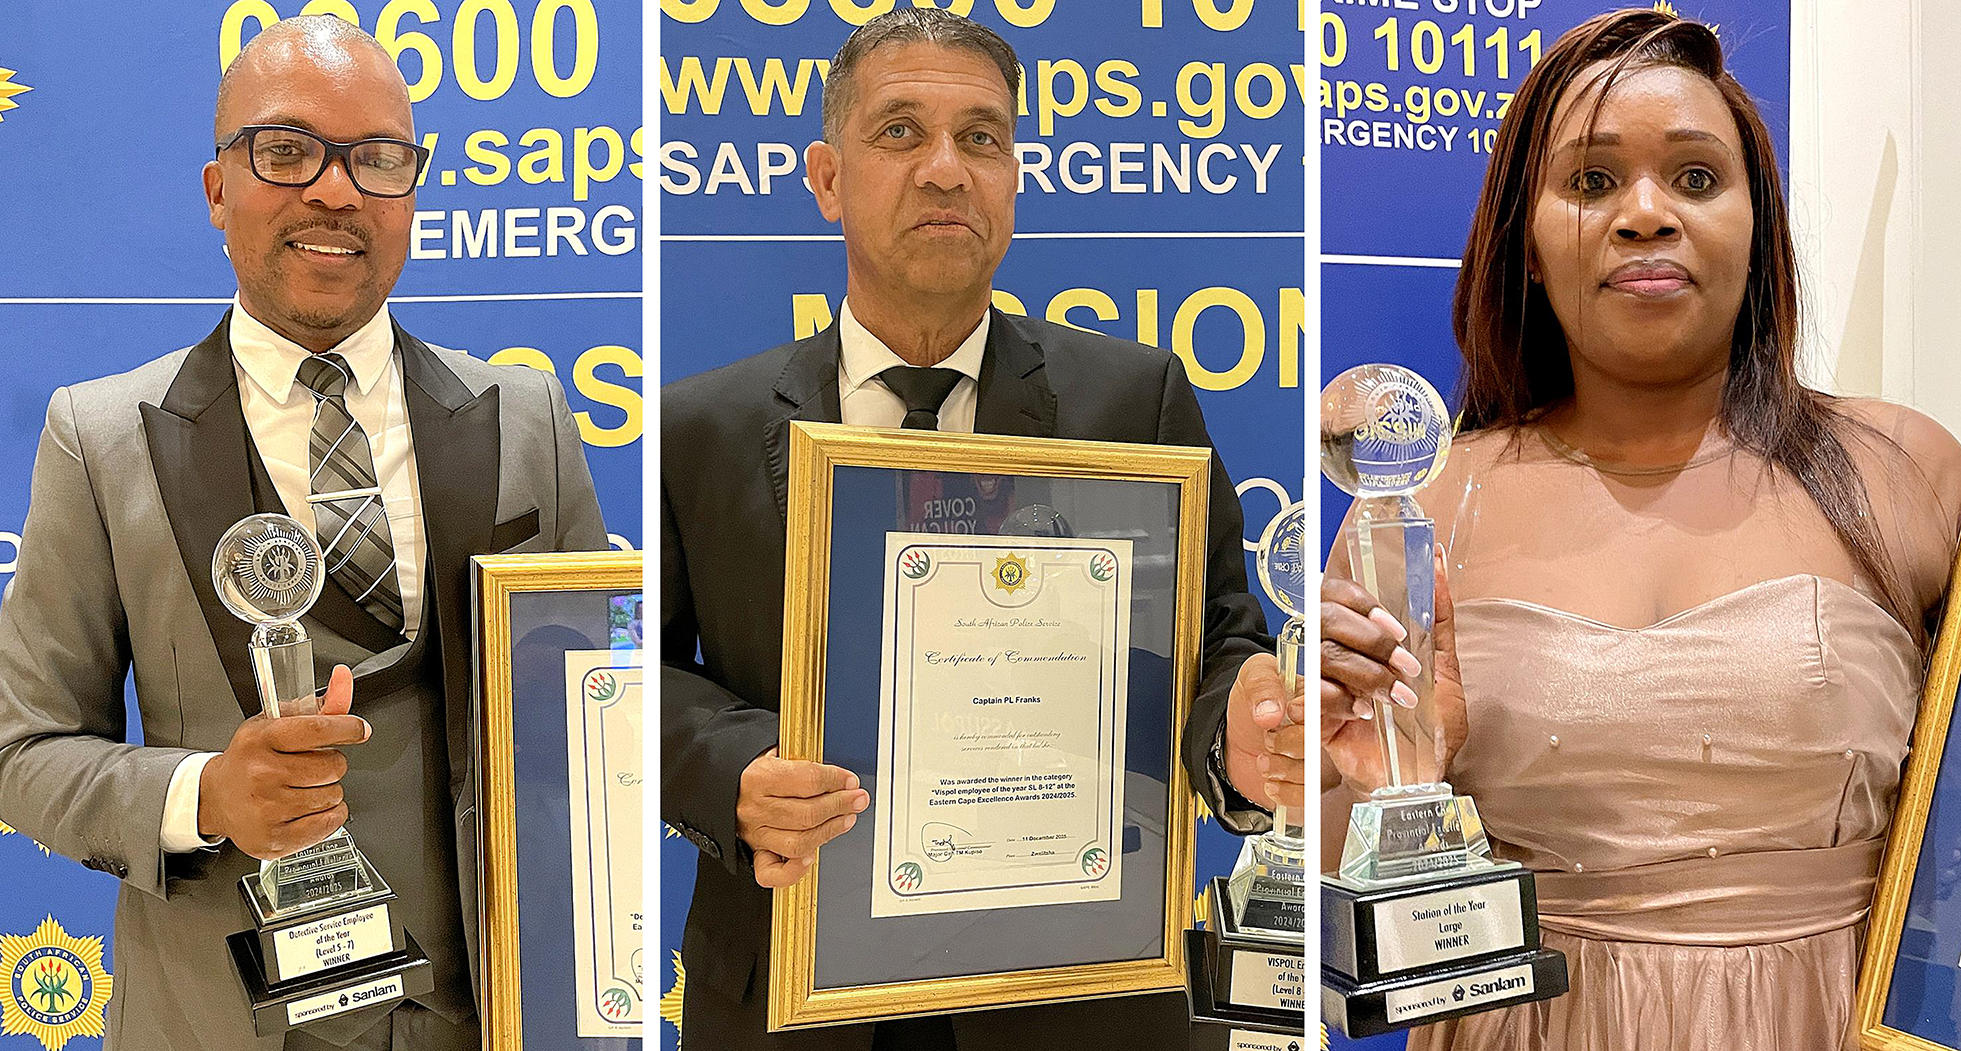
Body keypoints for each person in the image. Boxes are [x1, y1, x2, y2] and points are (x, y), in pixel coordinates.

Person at [1321, 9, 1961, 1049]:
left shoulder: (1908, 474)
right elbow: (1356, 912)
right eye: (1590, 181)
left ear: (1756, 231)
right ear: (1526, 246)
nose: (1646, 215)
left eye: (1696, 178)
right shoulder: (1419, 509)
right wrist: (1386, 779)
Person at [660, 8, 1295, 1049]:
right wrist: (730, 770)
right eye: (899, 132)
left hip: (1070, 986)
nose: (945, 170)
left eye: (981, 138)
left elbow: (1220, 634)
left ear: (1012, 178)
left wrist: (1236, 731)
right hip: (790, 981)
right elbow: (638, 672)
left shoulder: (1133, 400)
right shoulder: (701, 429)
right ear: (827, 178)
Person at [0, 16, 605, 1050]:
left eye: (378, 158)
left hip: (488, 1012)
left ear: (411, 194)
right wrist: (204, 794)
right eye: (287, 151)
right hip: (218, 1020)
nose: (336, 190)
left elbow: (597, 712)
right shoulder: (98, 441)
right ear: (217, 189)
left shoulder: (529, 419)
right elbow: (24, 750)